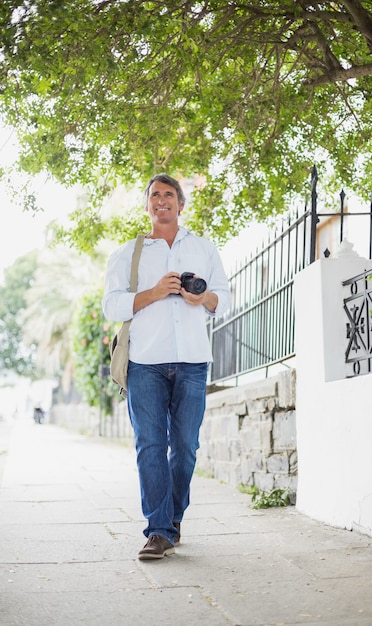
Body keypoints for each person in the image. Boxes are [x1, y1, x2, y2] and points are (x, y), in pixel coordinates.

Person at [102, 173, 231, 560]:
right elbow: (112, 305)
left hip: (193, 359)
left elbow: (224, 297)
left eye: (169, 195)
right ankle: (158, 530)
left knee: (187, 447)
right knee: (151, 446)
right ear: (147, 205)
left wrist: (204, 297)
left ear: (180, 204)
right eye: (154, 195)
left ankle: (172, 518)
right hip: (145, 362)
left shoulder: (204, 248)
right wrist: (155, 292)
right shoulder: (128, 253)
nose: (162, 201)